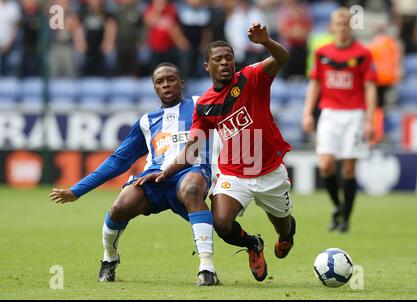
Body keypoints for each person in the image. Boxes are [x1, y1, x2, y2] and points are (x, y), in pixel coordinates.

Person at [138, 23, 296, 282]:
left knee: (284, 225)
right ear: (206, 67)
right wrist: (164, 172)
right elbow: (193, 147)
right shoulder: (205, 105)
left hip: (268, 170)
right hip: (234, 174)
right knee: (220, 222)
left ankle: (287, 235)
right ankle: (253, 244)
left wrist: (266, 41)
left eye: (229, 58)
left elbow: (283, 58)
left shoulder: (251, 77)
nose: (224, 63)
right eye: (218, 59)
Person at [49, 63, 218, 286]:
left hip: (191, 172)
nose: (166, 84)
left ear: (182, 82)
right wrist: (76, 190)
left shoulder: (199, 104)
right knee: (120, 207)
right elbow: (118, 161)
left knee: (193, 189)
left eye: (171, 79)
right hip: (153, 179)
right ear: (154, 88)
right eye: (160, 81)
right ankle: (109, 258)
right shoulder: (147, 122)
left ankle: (207, 268)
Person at [302, 8, 377, 233]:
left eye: (346, 23)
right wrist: (307, 112)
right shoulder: (322, 52)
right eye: (338, 23)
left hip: (354, 114)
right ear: (332, 26)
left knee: (348, 170)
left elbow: (370, 87)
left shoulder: (363, 53)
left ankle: (346, 218)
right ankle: (337, 206)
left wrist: (370, 120)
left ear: (351, 26)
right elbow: (315, 83)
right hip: (329, 113)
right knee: (325, 165)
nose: (342, 27)